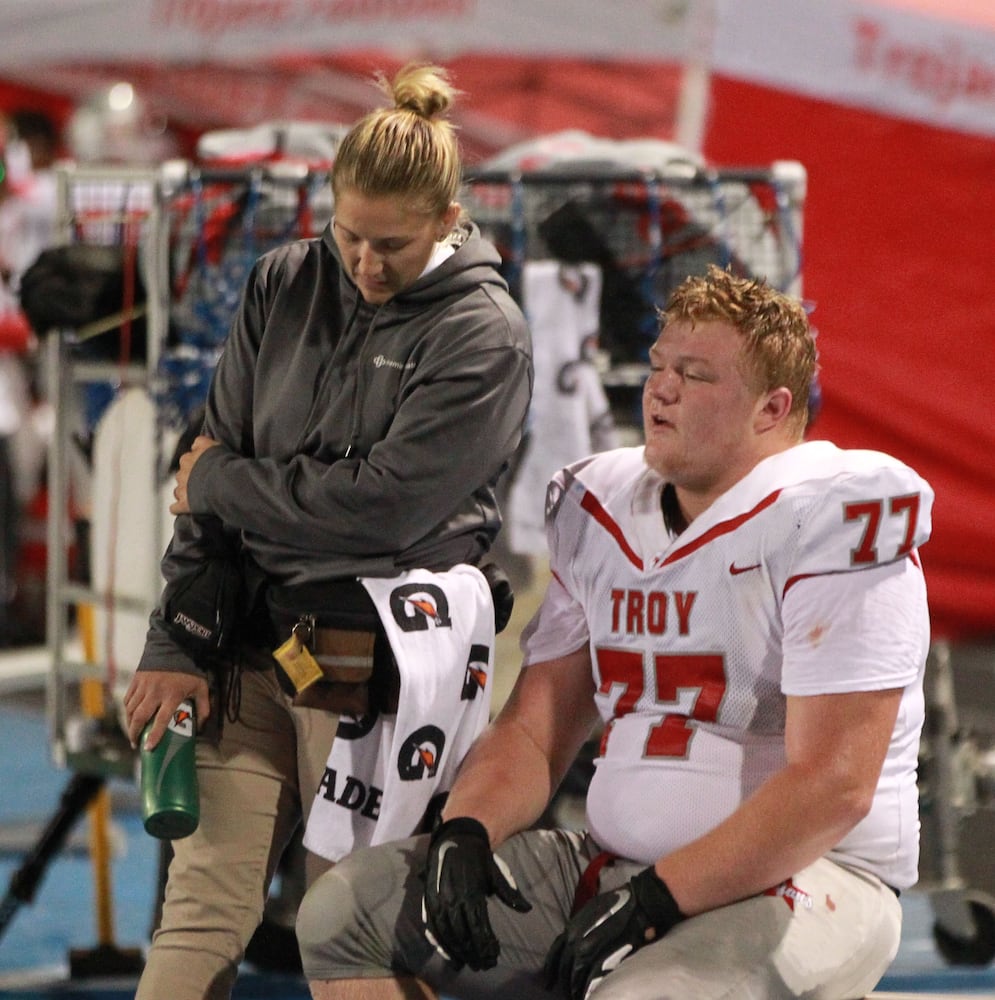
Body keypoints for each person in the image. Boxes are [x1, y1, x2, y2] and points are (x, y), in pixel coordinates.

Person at [296, 264, 935, 1000]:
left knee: (645, 996)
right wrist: (466, 830)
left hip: (810, 875)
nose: (658, 388)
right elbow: (538, 728)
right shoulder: (600, 503)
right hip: (621, 863)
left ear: (771, 407)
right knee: (347, 915)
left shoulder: (831, 519)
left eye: (694, 376)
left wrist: (660, 898)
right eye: (659, 366)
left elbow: (833, 786)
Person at [122, 62, 533, 1000]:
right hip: (241, 651)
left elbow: (381, 508)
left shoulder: (484, 334)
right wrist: (174, 640)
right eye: (348, 233)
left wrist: (226, 482)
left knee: (348, 941)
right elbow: (204, 471)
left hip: (385, 679)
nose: (364, 264)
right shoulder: (283, 281)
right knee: (197, 917)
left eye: (391, 243)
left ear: (446, 219)